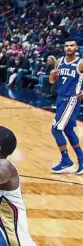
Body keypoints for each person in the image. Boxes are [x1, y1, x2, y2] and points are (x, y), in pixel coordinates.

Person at [49, 38, 83, 174]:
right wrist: (52, 76)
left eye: (72, 45)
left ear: (76, 48)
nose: (69, 48)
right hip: (60, 98)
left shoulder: (80, 62)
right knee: (68, 130)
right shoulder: (59, 61)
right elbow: (52, 81)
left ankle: (66, 160)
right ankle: (81, 160)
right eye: (67, 45)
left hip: (71, 99)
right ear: (64, 48)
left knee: (56, 129)